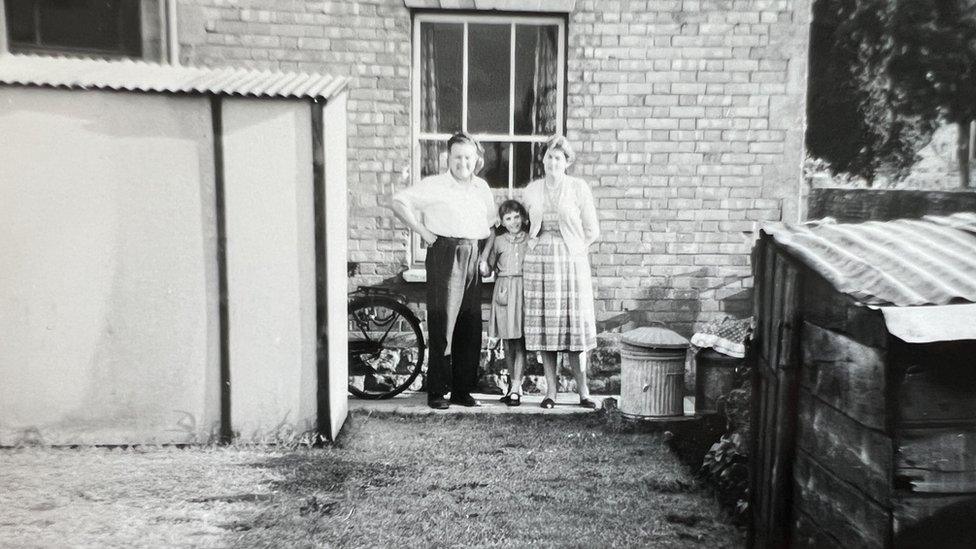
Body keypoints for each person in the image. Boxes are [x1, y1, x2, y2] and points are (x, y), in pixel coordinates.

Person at [391, 132, 497, 409]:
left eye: (468, 157)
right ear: (448, 158)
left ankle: (462, 390)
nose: (463, 162)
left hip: (473, 254)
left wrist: (485, 257)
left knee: (470, 325)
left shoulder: (481, 187)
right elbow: (398, 202)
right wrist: (422, 231)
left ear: (476, 159)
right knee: (443, 324)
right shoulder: (434, 185)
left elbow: (492, 226)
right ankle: (438, 391)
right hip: (445, 254)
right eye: (457, 157)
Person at [522, 135, 600, 409]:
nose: (553, 162)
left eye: (559, 157)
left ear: (567, 162)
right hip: (540, 264)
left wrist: (575, 252)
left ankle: (583, 392)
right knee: (548, 329)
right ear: (542, 159)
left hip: (570, 264)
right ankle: (550, 392)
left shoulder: (579, 188)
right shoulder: (531, 190)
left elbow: (592, 230)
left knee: (574, 328)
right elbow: (522, 225)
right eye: (549, 156)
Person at [478, 200, 530, 407]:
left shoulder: (530, 239)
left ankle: (516, 387)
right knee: (508, 341)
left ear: (523, 218)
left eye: (516, 217)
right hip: (504, 292)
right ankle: (512, 387)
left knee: (520, 340)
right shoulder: (498, 241)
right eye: (508, 218)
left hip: (524, 288)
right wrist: (483, 265)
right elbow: (488, 269)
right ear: (502, 222)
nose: (513, 222)